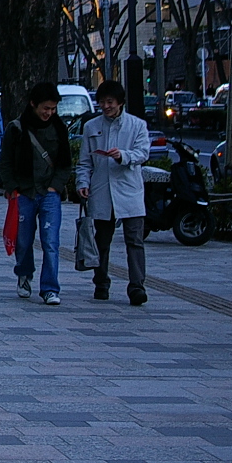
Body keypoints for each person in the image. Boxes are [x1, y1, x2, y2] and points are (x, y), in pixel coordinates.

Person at [76, 79, 152, 305]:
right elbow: (84, 162)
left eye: (110, 102)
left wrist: (123, 156)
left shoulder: (137, 125)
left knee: (135, 240)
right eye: (102, 103)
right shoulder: (91, 126)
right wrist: (82, 183)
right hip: (101, 190)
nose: (106, 106)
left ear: (120, 102)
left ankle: (137, 286)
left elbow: (143, 153)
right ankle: (101, 282)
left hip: (129, 191)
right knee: (102, 241)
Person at [0, 82, 73, 305]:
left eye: (53, 108)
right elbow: (6, 161)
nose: (49, 113)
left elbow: (65, 164)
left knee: (51, 242)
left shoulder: (59, 128)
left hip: (49, 192)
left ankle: (50, 288)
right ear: (33, 104)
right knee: (23, 240)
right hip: (24, 192)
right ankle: (24, 274)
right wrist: (12, 188)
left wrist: (55, 187)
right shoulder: (17, 128)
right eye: (45, 108)